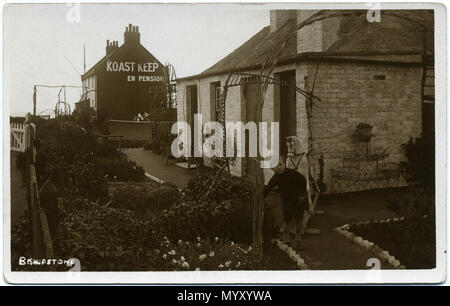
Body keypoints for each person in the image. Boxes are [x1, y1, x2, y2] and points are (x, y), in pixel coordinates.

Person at [263, 157, 307, 248]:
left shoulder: (293, 173)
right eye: (276, 166)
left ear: (284, 164)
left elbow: (303, 180)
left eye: (280, 164)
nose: (279, 167)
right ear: (272, 169)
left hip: (298, 199)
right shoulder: (276, 178)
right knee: (287, 219)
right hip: (287, 200)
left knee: (299, 219)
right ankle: (286, 236)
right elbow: (268, 188)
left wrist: (302, 194)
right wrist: (260, 197)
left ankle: (298, 238)